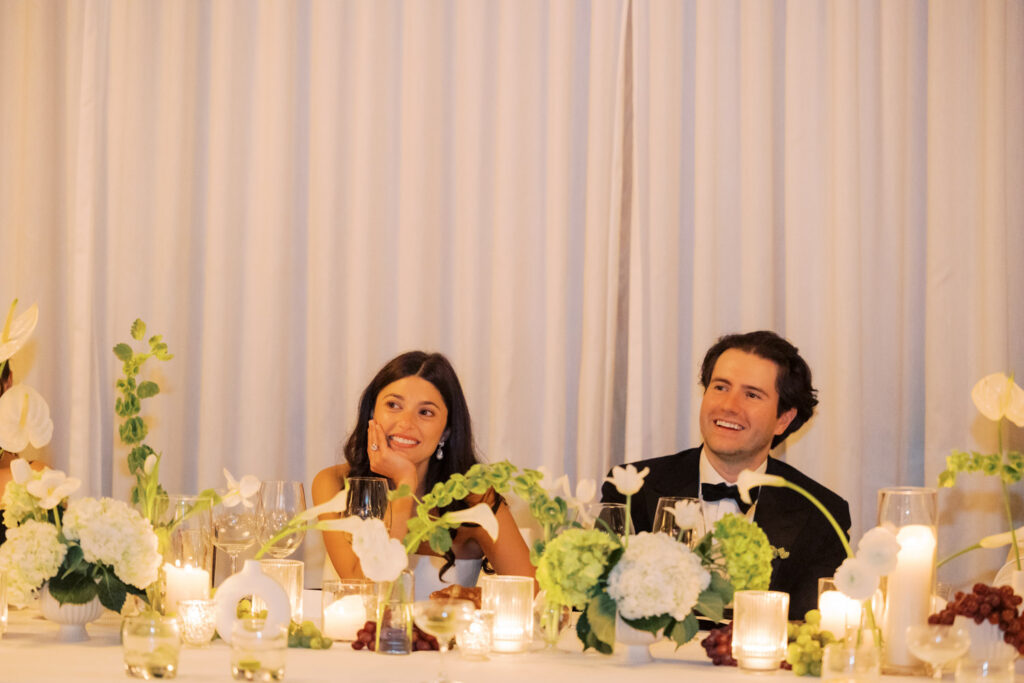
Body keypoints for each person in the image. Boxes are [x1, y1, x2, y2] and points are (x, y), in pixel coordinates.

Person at [601, 330, 850, 618]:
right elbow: (602, 606)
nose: (729, 406)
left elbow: (810, 627)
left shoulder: (821, 513)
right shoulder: (632, 487)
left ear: (783, 419)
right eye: (720, 387)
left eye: (752, 394)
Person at [312, 351, 534, 597]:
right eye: (393, 405)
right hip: (353, 636)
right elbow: (364, 590)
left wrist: (479, 598)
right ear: (372, 414)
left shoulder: (475, 501)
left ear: (446, 432)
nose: (406, 423)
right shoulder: (334, 484)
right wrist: (405, 485)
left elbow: (537, 601)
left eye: (425, 412)